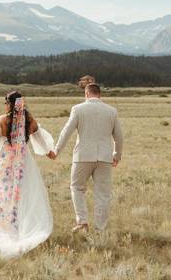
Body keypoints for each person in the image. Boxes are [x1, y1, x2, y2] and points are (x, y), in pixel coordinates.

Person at [0, 91, 55, 259]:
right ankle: (19, 226)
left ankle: (6, 226)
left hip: (5, 163)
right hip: (24, 164)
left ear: (9, 104)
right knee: (23, 195)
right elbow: (39, 137)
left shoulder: (2, 121)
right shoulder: (29, 120)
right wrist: (48, 152)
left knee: (3, 193)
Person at [48, 82, 123, 233]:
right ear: (100, 94)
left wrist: (56, 150)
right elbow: (119, 137)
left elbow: (66, 132)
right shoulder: (111, 111)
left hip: (82, 156)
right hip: (104, 157)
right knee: (103, 194)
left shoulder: (78, 109)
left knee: (76, 188)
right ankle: (100, 229)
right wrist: (117, 155)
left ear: (86, 94)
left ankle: (82, 222)